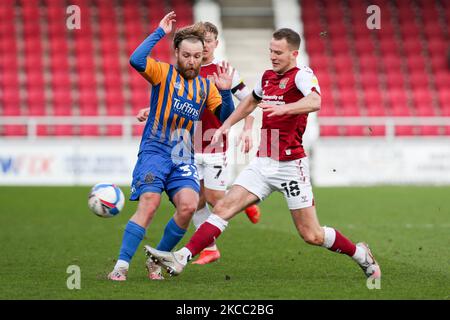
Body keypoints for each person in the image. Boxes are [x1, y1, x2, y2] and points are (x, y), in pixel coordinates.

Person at [143, 28, 382, 280]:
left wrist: (286, 109)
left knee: (311, 234)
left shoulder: (302, 76)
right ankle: (182, 257)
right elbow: (249, 102)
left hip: (290, 166)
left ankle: (360, 253)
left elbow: (315, 102)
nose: (273, 56)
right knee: (222, 207)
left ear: (294, 53)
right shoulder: (268, 76)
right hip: (262, 162)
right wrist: (226, 125)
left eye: (278, 52)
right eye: (270, 50)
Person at [108, 12, 235, 281]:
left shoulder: (206, 86)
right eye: (186, 55)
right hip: (155, 150)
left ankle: (157, 258)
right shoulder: (162, 72)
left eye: (197, 56)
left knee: (189, 206)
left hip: (182, 155)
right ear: (177, 53)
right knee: (150, 203)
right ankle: (121, 265)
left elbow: (225, 118)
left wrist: (225, 92)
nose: (192, 61)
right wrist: (158, 33)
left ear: (203, 56)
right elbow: (136, 60)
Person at [137, 22, 261, 277]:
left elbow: (248, 101)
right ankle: (209, 248)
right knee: (194, 200)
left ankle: (244, 199)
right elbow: (176, 100)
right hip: (186, 145)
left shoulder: (224, 70)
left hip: (214, 144)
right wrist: (152, 110)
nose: (204, 47)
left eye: (208, 42)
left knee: (215, 199)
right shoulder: (185, 69)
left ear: (215, 43)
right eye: (200, 42)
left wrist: (248, 129)